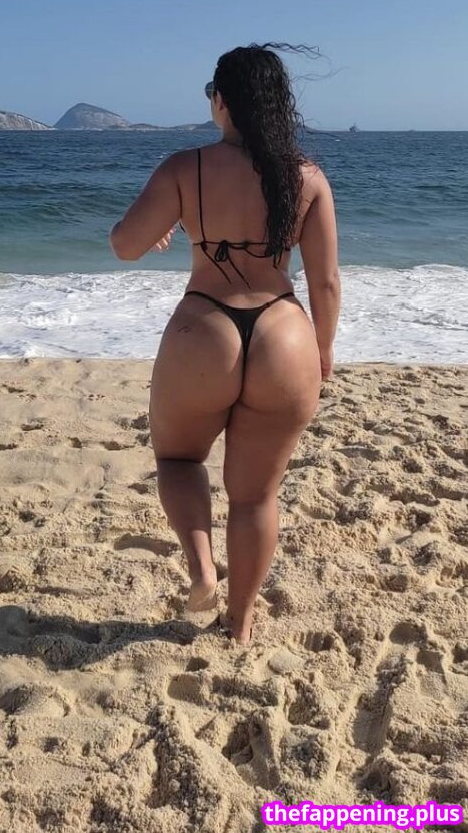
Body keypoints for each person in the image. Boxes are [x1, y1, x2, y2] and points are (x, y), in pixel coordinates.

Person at [109, 43, 340, 644]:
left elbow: (125, 245)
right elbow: (325, 282)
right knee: (256, 496)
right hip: (284, 335)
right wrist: (322, 351)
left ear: (221, 102)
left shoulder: (185, 167)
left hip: (205, 330)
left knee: (179, 461)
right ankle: (240, 623)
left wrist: (164, 227)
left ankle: (202, 570)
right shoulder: (307, 178)